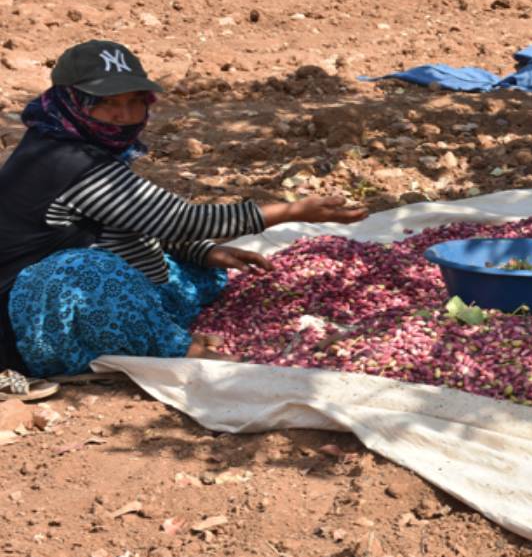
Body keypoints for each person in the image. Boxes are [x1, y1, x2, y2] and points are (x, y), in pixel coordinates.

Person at [0, 40, 367, 384]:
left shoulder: (72, 143)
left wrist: (201, 250)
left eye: (135, 101)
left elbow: (130, 220)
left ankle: (154, 328)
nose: (124, 115)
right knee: (87, 274)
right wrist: (291, 211)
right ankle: (175, 347)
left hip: (83, 284)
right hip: (30, 320)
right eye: (107, 102)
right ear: (70, 101)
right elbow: (178, 220)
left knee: (198, 272)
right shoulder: (66, 160)